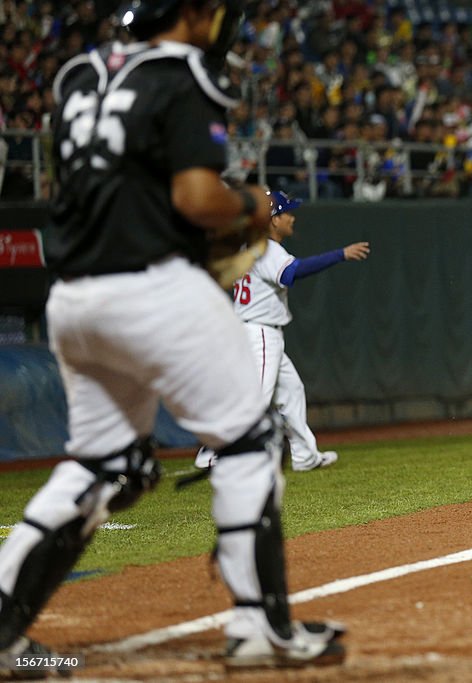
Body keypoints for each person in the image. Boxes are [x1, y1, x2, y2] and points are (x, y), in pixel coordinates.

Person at [0, 0, 346, 673]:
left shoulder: (77, 71)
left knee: (105, 461)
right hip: (153, 289)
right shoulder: (187, 72)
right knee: (251, 443)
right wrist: (248, 203)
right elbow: (194, 197)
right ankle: (260, 628)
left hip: (73, 297)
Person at [195, 190, 370, 471]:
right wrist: (340, 254)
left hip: (259, 331)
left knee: (291, 390)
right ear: (273, 220)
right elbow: (291, 273)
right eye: (287, 212)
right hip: (259, 333)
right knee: (256, 399)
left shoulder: (250, 245)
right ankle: (213, 453)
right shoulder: (266, 249)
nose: (292, 216)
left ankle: (304, 455)